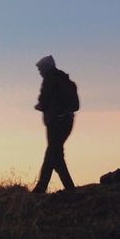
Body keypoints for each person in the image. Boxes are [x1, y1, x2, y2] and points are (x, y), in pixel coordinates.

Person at [32, 55, 79, 193]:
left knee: (53, 153)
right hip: (68, 121)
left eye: (40, 69)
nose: (40, 73)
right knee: (55, 154)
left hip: (55, 123)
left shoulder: (49, 80)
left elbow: (43, 101)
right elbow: (76, 106)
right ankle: (67, 187)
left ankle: (41, 188)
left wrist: (41, 106)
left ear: (46, 68)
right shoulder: (66, 80)